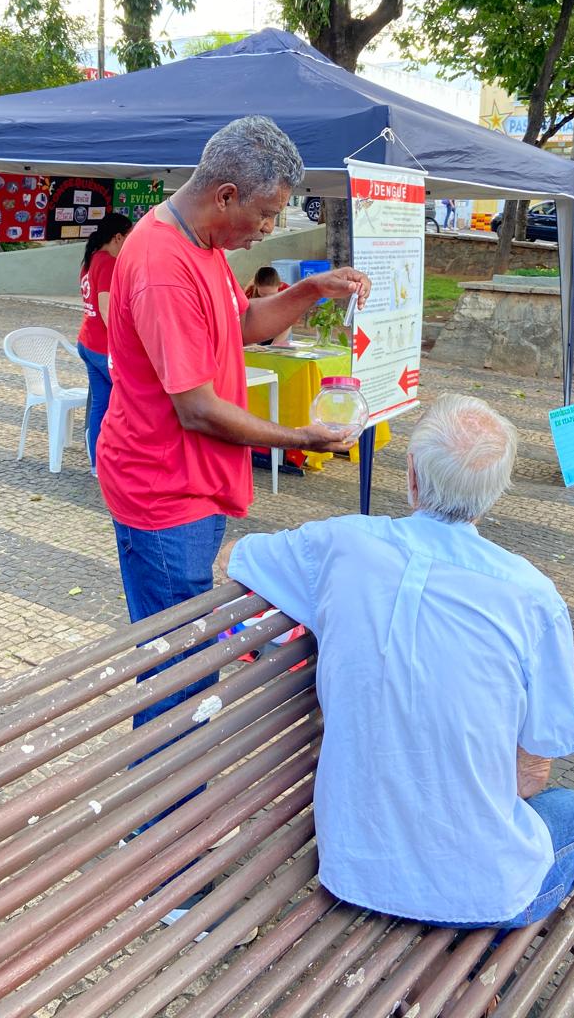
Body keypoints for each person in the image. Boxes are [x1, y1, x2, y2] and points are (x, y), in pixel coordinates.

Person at [221, 393, 574, 929]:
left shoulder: (343, 544)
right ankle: (473, 956)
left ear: (412, 476)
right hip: (480, 891)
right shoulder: (533, 598)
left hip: (353, 869)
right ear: (493, 496)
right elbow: (531, 774)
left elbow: (233, 558)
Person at [96, 114, 370, 733]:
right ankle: (161, 825)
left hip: (192, 487)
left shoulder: (205, 245)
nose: (269, 231)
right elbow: (195, 407)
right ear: (225, 196)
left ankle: (170, 815)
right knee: (181, 677)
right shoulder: (165, 263)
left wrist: (313, 291)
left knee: (189, 664)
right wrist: (299, 439)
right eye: (267, 216)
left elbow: (241, 323)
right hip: (164, 494)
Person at [77, 212, 133, 470]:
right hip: (103, 347)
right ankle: (119, 463)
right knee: (132, 401)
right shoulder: (108, 262)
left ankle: (97, 465)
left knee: (101, 403)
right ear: (118, 237)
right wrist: (127, 341)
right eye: (128, 239)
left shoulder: (90, 259)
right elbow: (106, 309)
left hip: (87, 342)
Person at [244, 265, 291, 345]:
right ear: (256, 286)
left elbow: (288, 323)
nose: (267, 298)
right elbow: (244, 324)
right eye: (263, 294)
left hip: (281, 330)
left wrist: (274, 346)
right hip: (256, 330)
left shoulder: (287, 292)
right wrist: (252, 345)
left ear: (279, 286)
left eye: (272, 294)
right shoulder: (249, 294)